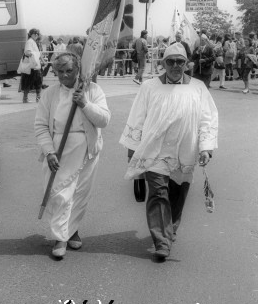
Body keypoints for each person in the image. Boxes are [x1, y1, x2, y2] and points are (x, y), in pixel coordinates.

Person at [119, 43, 218, 260]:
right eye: (170, 61)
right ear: (163, 63)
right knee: (158, 193)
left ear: (187, 64)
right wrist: (132, 149)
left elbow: (207, 120)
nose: (175, 66)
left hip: (185, 150)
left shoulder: (198, 88)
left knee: (177, 194)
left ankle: (170, 228)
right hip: (155, 151)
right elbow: (137, 117)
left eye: (180, 62)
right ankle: (161, 240)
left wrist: (206, 147)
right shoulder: (149, 87)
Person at [35, 52, 111, 258]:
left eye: (69, 70)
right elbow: (41, 125)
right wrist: (49, 151)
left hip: (87, 149)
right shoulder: (49, 94)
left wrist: (85, 104)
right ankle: (60, 237)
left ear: (78, 69)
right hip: (58, 150)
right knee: (60, 193)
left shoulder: (93, 90)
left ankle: (72, 230)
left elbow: (104, 120)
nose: (64, 76)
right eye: (59, 72)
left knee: (79, 193)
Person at [20, 28, 43, 103]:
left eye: (37, 34)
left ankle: (33, 98)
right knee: (33, 82)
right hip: (32, 66)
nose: (36, 35)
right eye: (34, 33)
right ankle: (27, 98)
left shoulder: (33, 42)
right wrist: (35, 55)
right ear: (31, 34)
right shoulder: (30, 42)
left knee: (35, 82)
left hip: (34, 65)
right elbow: (27, 52)